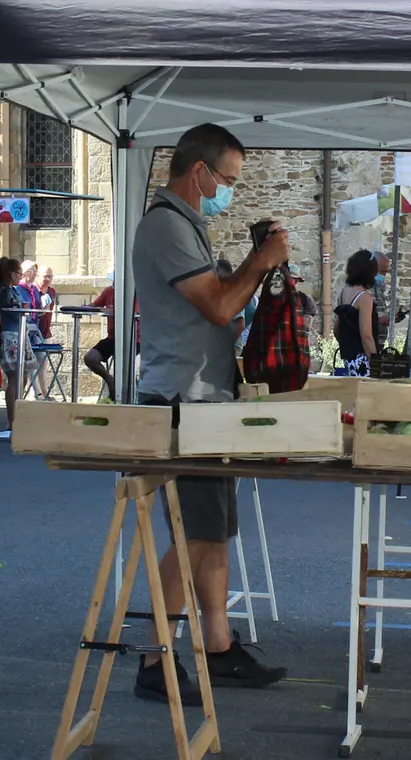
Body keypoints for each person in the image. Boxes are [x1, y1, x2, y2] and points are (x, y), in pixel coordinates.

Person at [132, 123, 288, 703]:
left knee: (217, 530)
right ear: (200, 172)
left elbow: (218, 305)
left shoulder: (188, 227)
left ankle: (218, 645)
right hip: (182, 401)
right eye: (227, 180)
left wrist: (248, 270)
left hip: (207, 398)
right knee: (193, 533)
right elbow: (220, 307)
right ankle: (153, 656)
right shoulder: (167, 226)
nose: (229, 190)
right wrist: (260, 259)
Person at [0, 256, 34, 430]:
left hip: (19, 332)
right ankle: (12, 420)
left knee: (22, 376)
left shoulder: (14, 290)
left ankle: (17, 414)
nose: (21, 276)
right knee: (14, 377)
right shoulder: (3, 291)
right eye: (19, 273)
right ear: (11, 274)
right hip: (10, 334)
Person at [333, 250, 382, 374]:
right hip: (364, 360)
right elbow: (366, 336)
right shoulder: (365, 298)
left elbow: (336, 329)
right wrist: (376, 364)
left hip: (349, 358)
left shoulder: (344, 293)